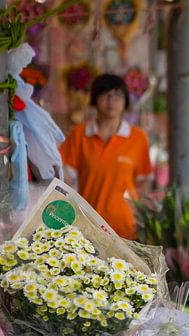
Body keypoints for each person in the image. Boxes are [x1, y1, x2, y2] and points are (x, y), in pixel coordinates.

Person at [60, 74, 152, 240]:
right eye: (105, 95)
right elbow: (64, 180)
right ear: (95, 99)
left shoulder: (138, 138)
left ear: (125, 101)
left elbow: (143, 186)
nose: (112, 101)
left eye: (117, 95)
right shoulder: (79, 135)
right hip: (87, 228)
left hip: (126, 229)